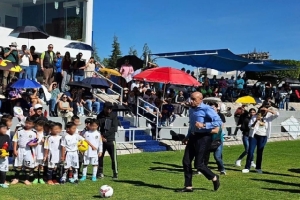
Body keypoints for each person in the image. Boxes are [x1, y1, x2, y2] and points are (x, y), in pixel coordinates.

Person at [178, 92, 222, 192]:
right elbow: (192, 125)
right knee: (186, 162)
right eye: (191, 99)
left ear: (200, 99)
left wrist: (204, 125)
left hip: (204, 138)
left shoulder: (207, 109)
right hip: (193, 136)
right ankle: (188, 186)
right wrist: (187, 136)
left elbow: (218, 121)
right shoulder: (191, 109)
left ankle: (214, 177)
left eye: (194, 99)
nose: (191, 101)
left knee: (198, 164)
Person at [242, 107, 279, 174]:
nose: (262, 112)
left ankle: (258, 168)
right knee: (250, 152)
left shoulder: (269, 117)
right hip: (254, 136)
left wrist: (268, 110)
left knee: (260, 152)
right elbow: (250, 126)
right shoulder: (254, 117)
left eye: (264, 111)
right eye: (261, 111)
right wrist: (256, 120)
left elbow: (277, 114)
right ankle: (247, 167)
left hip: (263, 136)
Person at [11, 116, 37, 185]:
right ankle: (16, 178)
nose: (28, 125)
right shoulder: (19, 130)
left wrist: (33, 144)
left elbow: (36, 141)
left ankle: (26, 179)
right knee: (18, 165)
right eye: (27, 123)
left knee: (27, 165)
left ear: (33, 124)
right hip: (20, 149)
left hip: (29, 150)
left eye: (30, 123)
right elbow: (15, 140)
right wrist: (14, 149)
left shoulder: (34, 132)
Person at [97, 102, 119, 180]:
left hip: (110, 139)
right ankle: (100, 172)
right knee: (100, 156)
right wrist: (101, 137)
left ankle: (115, 172)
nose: (109, 110)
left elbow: (114, 128)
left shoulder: (114, 115)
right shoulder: (100, 116)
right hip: (101, 140)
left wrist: (105, 136)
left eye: (111, 108)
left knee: (113, 157)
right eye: (108, 108)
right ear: (104, 108)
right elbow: (97, 127)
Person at [32, 120, 46, 184]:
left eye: (38, 126)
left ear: (42, 127)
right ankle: (35, 178)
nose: (36, 127)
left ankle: (41, 178)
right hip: (35, 150)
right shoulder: (34, 133)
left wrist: (44, 142)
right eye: (36, 126)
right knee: (35, 165)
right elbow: (31, 142)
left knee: (41, 165)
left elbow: (47, 144)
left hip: (42, 151)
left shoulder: (45, 134)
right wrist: (35, 139)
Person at [0, 123, 10, 188]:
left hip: (4, 156)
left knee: (3, 170)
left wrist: (5, 153)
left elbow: (8, 146)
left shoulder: (7, 136)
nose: (5, 130)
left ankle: (2, 182)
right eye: (3, 128)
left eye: (6, 128)